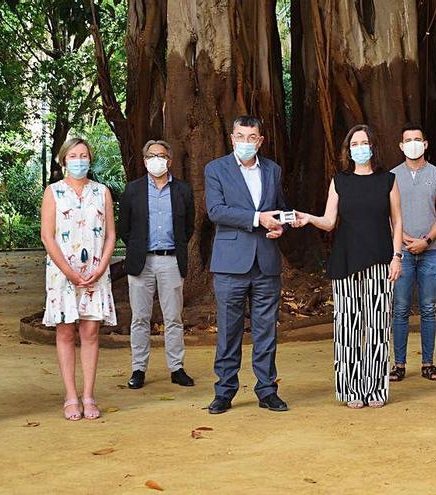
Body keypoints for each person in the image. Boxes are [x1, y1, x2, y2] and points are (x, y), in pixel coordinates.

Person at [293, 124, 403, 409]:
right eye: (354, 144)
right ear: (348, 150)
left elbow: (397, 221)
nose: (359, 148)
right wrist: (308, 218)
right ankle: (351, 389)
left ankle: (376, 389)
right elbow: (329, 221)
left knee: (378, 326)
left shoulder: (388, 180)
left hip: (381, 259)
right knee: (348, 326)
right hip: (346, 259)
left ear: (373, 147)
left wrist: (397, 256)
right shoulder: (339, 181)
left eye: (364, 143)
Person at [205, 115, 290, 414]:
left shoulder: (273, 170)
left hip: (266, 261)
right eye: (240, 136)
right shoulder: (216, 169)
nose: (245, 142)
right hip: (230, 264)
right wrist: (257, 218)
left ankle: (267, 390)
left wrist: (280, 226)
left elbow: (279, 209)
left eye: (251, 137)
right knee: (229, 330)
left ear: (260, 140)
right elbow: (216, 211)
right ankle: (224, 391)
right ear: (231, 138)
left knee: (266, 330)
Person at [41, 137, 117, 421]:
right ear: (64, 161)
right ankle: (71, 396)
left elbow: (110, 234)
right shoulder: (54, 192)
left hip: (96, 272)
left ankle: (88, 394)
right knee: (65, 331)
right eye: (73, 155)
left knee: (90, 332)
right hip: (62, 275)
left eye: (84, 155)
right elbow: (47, 236)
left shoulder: (102, 192)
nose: (79, 160)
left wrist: (102, 266)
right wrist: (70, 272)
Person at [119, 140, 196, 390]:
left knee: (173, 317)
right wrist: (139, 247)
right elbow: (125, 228)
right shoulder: (133, 190)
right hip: (142, 262)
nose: (157, 159)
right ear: (144, 161)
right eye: (152, 155)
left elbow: (188, 227)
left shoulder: (183, 190)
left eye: (162, 155)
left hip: (171, 260)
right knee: (140, 318)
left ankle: (177, 368)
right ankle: (138, 369)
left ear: (169, 160)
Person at [388, 124, 436, 383]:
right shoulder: (391, 177)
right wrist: (402, 239)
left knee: (427, 308)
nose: (413, 144)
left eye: (417, 139)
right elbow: (388, 216)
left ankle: (428, 363)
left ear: (425, 144)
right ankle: (399, 364)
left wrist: (425, 240)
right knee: (400, 308)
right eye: (407, 140)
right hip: (400, 253)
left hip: (431, 252)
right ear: (401, 146)